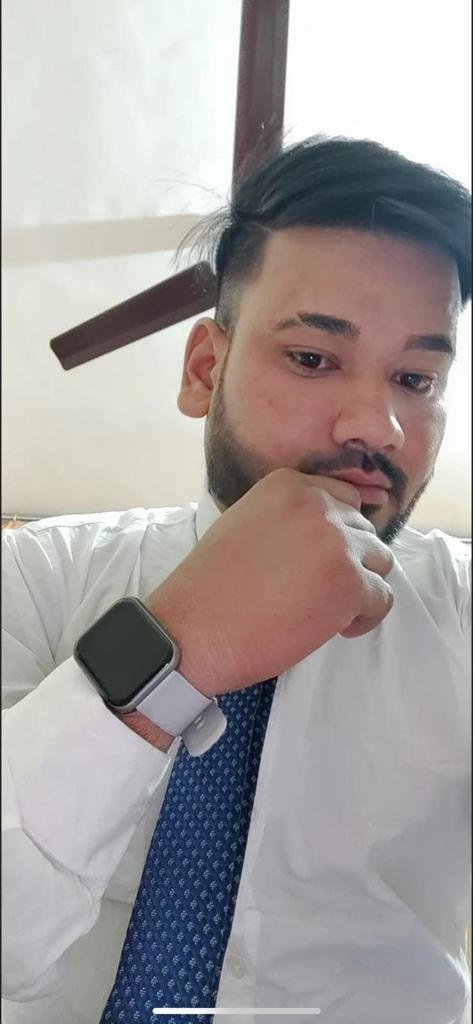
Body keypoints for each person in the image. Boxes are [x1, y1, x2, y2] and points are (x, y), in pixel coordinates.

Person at [2, 135, 471, 1024]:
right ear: (204, 369)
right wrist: (177, 652)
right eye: (311, 358)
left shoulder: (462, 612)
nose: (377, 425)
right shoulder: (32, 577)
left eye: (416, 377)